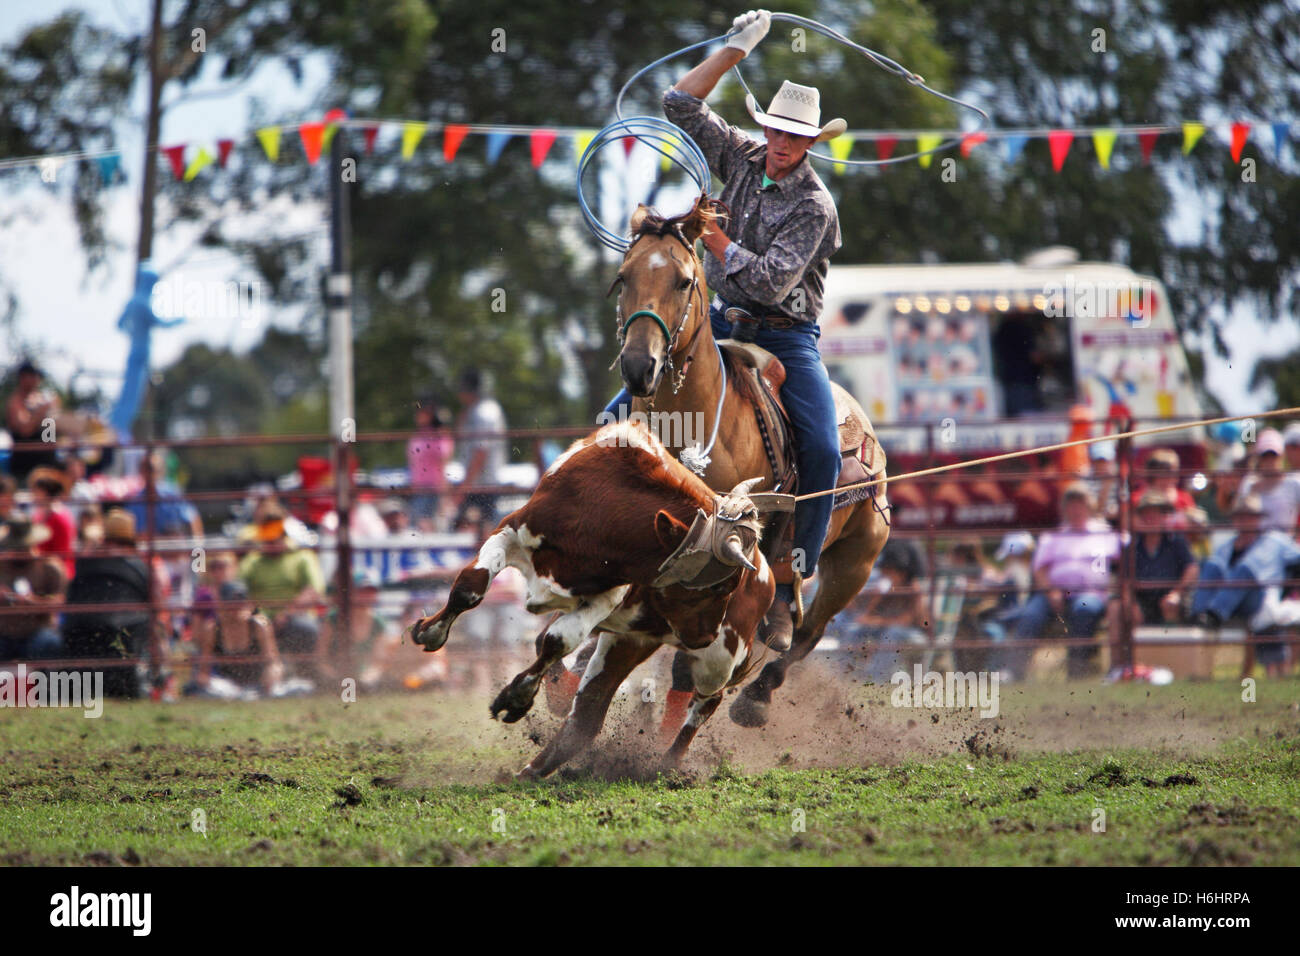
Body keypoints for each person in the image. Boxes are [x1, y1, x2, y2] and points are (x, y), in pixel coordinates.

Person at [604, 10, 849, 648]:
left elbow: (770, 282)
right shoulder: (739, 152)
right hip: (714, 322)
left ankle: (796, 575)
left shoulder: (815, 206)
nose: (781, 143)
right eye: (776, 130)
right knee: (618, 410)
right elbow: (679, 102)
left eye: (795, 137)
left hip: (787, 335)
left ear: (811, 143)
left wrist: (717, 240)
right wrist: (734, 51)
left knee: (822, 447)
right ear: (765, 126)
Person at [1014, 483, 1123, 677]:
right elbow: (1039, 569)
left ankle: (1077, 671)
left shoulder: (1104, 534)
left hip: (1090, 593)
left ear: (1089, 507)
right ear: (1064, 509)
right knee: (1030, 615)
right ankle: (1015, 670)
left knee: (1084, 610)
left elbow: (1125, 558)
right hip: (1053, 592)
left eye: (1079, 504)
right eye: (1071, 505)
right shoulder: (1053, 536)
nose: (1075, 509)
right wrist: (1050, 591)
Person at [62, 509, 155, 697]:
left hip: (81, 637)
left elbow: (69, 597)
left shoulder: (85, 563)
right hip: (124, 637)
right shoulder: (139, 566)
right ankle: (157, 681)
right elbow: (154, 603)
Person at [239, 500, 327, 680]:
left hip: (294, 619)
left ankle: (308, 677)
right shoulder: (252, 561)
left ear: (283, 534)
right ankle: (251, 679)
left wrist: (287, 614)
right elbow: (239, 592)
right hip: (260, 619)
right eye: (266, 538)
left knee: (306, 628)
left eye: (273, 538)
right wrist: (256, 615)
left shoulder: (302, 557)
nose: (270, 543)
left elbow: (315, 590)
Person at [1192, 495, 1300, 630]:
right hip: (1226, 598)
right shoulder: (1225, 547)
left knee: (1246, 569)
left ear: (1258, 519)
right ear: (1234, 520)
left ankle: (1213, 616)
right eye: (1240, 517)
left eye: (1250, 516)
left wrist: (1287, 591)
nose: (1245, 521)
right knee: (1212, 566)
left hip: (1261, 598)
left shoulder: (1275, 541)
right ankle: (1198, 617)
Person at [1117, 490, 1199, 628]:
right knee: (1120, 608)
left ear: (1164, 516)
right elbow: (1124, 579)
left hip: (1170, 596)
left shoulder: (1176, 541)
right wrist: (1131, 602)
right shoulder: (1132, 545)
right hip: (1141, 598)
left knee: (1171, 606)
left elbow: (1192, 568)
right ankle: (1132, 648)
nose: (1151, 518)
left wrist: (1177, 593)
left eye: (1156, 513)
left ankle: (1170, 646)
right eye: (1147, 514)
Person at [191, 579, 283, 696]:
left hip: (259, 686)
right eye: (232, 603)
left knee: (295, 689)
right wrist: (205, 682)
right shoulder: (213, 629)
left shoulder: (260, 625)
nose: (237, 607)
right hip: (226, 688)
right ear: (222, 604)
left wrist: (271, 676)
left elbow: (274, 663)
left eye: (240, 602)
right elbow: (203, 670)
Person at [0, 516, 66, 662]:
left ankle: (48, 684)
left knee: (48, 643)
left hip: (37, 631)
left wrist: (33, 602)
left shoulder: (49, 567)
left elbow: (60, 601)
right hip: (4, 632)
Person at [450, 369, 508, 535]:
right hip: (477, 483)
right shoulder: (476, 411)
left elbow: (481, 452)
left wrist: (464, 487)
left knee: (481, 530)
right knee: (470, 528)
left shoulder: (484, 412)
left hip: (483, 484)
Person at [4, 360, 62, 483]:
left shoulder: (41, 399)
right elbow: (25, 430)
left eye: (37, 376)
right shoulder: (16, 401)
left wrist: (54, 413)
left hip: (48, 467)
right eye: (33, 375)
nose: (36, 380)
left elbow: (50, 435)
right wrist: (40, 412)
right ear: (23, 377)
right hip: (26, 469)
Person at [1234, 428, 1300, 535]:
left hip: (1286, 545)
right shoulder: (1249, 483)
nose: (1270, 461)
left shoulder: (1295, 483)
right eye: (1265, 456)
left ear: (1281, 456)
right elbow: (1240, 518)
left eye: (1273, 455)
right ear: (1258, 458)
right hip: (1256, 545)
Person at [407, 398, 452, 532]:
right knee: (419, 524)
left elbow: (443, 461)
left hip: (433, 488)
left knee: (429, 524)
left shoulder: (440, 436)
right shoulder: (419, 435)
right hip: (419, 488)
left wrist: (444, 495)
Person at [26, 466, 76, 579]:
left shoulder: (60, 518)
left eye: (36, 491)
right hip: (41, 572)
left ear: (46, 493)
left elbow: (62, 554)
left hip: (58, 575)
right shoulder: (38, 515)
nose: (33, 495)